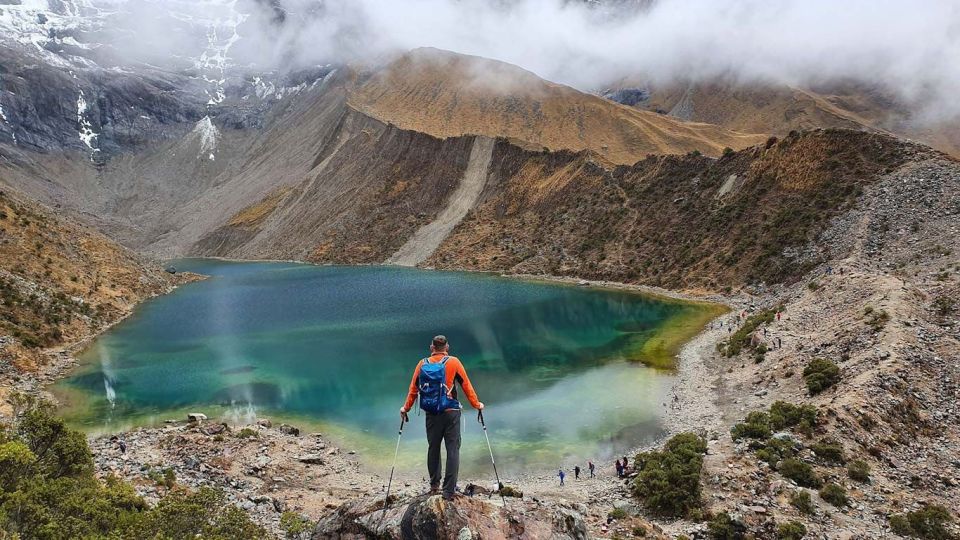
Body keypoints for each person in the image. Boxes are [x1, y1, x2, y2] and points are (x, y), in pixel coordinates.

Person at [400, 335, 484, 501]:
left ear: (432, 348)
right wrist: (477, 405)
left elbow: (413, 389)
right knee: (452, 449)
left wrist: (406, 408)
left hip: (432, 413)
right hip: (451, 412)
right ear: (447, 348)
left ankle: (434, 486)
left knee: (433, 447)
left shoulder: (422, 363)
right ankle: (448, 491)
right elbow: (466, 385)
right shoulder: (454, 362)